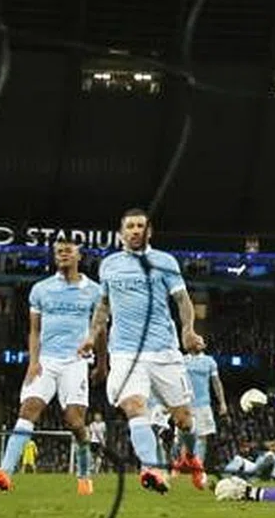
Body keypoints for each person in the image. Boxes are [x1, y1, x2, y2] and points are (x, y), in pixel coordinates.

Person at [79, 207, 206, 494]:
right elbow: (103, 307)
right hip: (125, 352)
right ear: (121, 233)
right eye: (130, 226)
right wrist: (91, 336)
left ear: (149, 231)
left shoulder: (165, 262)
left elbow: (183, 301)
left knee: (184, 419)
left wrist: (188, 330)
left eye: (140, 226)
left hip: (163, 350)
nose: (136, 230)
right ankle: (152, 468)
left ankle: (189, 457)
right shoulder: (109, 265)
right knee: (134, 407)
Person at [0, 240, 104, 495]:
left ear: (79, 255)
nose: (63, 254)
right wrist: (33, 362)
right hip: (46, 360)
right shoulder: (41, 290)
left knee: (75, 421)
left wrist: (102, 364)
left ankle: (84, 472)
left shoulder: (95, 291)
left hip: (76, 362)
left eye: (68, 250)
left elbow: (100, 331)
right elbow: (34, 331)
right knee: (28, 409)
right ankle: (5, 472)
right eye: (59, 251)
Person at [178, 349, 226, 467]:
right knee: (184, 437)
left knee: (202, 437)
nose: (198, 341)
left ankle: (198, 468)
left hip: (203, 404)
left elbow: (216, 382)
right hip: (186, 404)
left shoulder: (209, 361)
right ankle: (181, 467)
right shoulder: (183, 360)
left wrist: (222, 402)